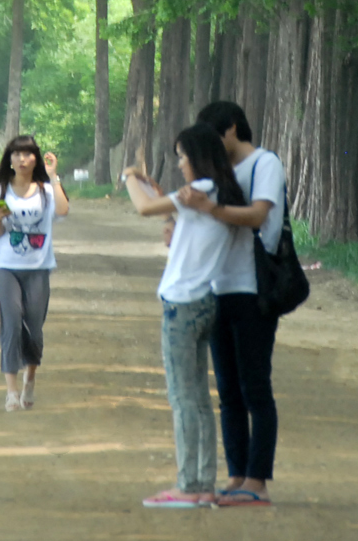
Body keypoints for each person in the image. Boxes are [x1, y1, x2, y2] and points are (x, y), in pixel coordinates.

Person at [123, 126, 244, 508]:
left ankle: (189, 485)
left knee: (183, 398)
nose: (180, 164)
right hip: (205, 301)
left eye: (182, 157)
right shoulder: (219, 193)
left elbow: (141, 207)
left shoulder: (198, 191)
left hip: (182, 305)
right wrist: (164, 201)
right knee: (199, 400)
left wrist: (129, 176)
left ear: (199, 158)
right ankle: (203, 482)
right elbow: (175, 218)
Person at [180, 100, 286, 507]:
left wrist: (212, 208)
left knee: (255, 385)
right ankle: (238, 473)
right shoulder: (216, 174)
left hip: (253, 288)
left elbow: (259, 216)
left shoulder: (264, 164)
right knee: (227, 390)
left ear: (231, 130)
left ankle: (257, 481)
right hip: (216, 288)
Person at [0, 134, 69, 411]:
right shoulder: (0, 192)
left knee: (34, 328)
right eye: (16, 154)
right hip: (8, 267)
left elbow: (64, 211)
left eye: (28, 154)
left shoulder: (46, 190)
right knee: (10, 324)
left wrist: (54, 176)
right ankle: (11, 391)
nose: (22, 159)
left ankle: (29, 379)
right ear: (9, 159)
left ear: (36, 157)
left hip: (39, 268)